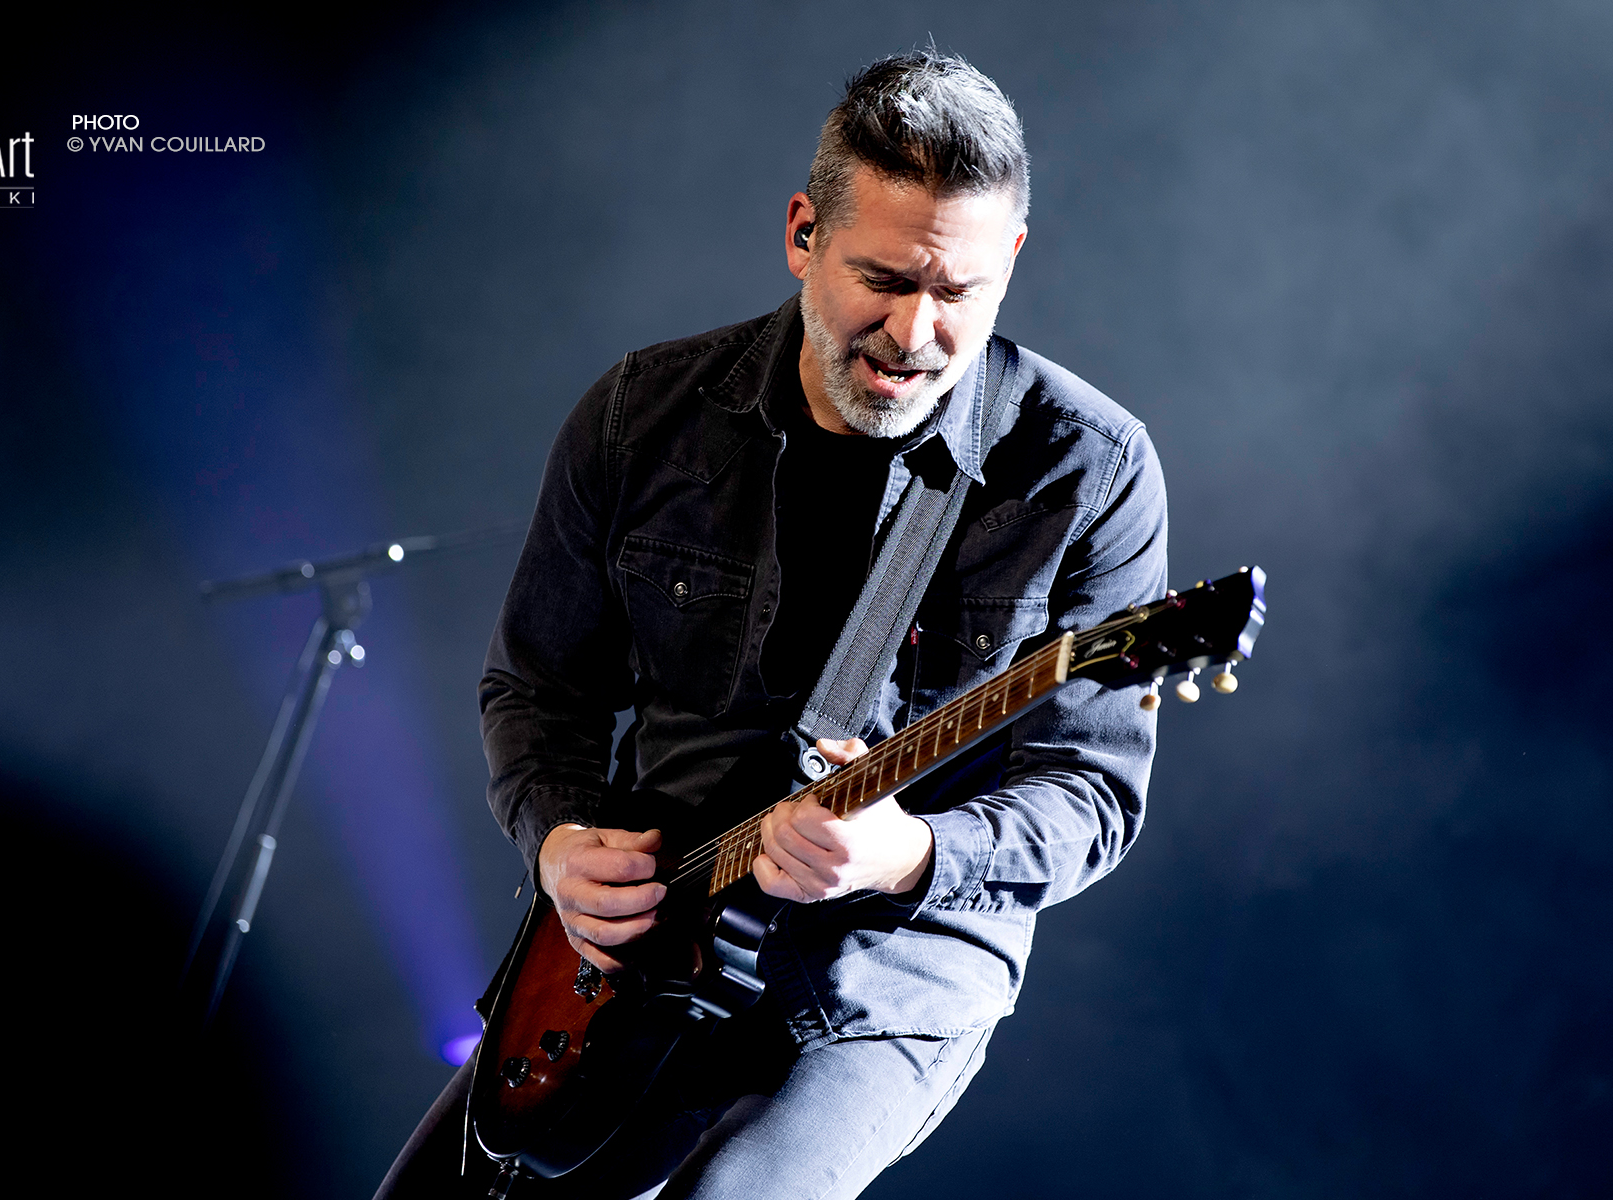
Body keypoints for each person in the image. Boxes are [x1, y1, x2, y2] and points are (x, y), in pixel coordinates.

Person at [376, 49, 1167, 1200]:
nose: (913, 333)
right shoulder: (639, 418)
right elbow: (537, 691)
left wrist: (910, 853)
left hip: (880, 981)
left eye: (957, 293)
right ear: (802, 234)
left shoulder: (1085, 468)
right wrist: (558, 838)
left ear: (1008, 259)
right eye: (881, 280)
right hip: (637, 954)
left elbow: (1092, 794)